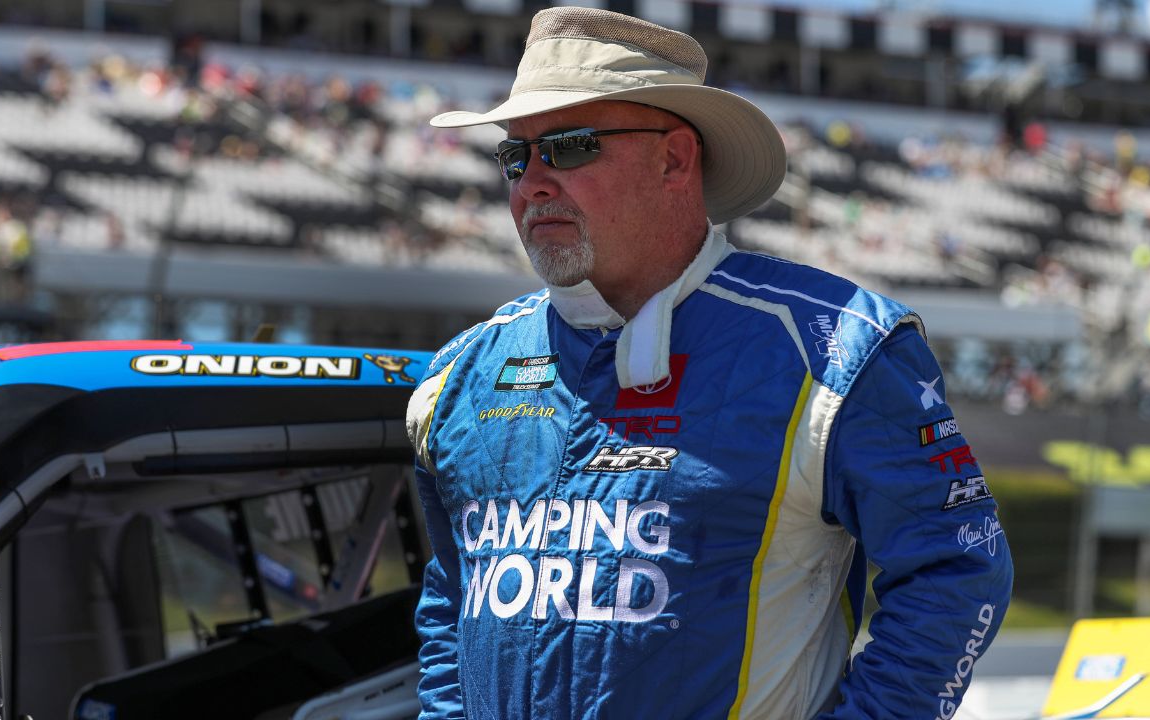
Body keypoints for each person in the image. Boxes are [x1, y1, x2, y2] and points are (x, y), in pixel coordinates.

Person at [405, 7, 1012, 719]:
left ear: (675, 159)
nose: (532, 182)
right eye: (515, 156)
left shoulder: (835, 347)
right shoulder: (462, 375)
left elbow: (956, 571)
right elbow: (451, 596)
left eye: (567, 147)